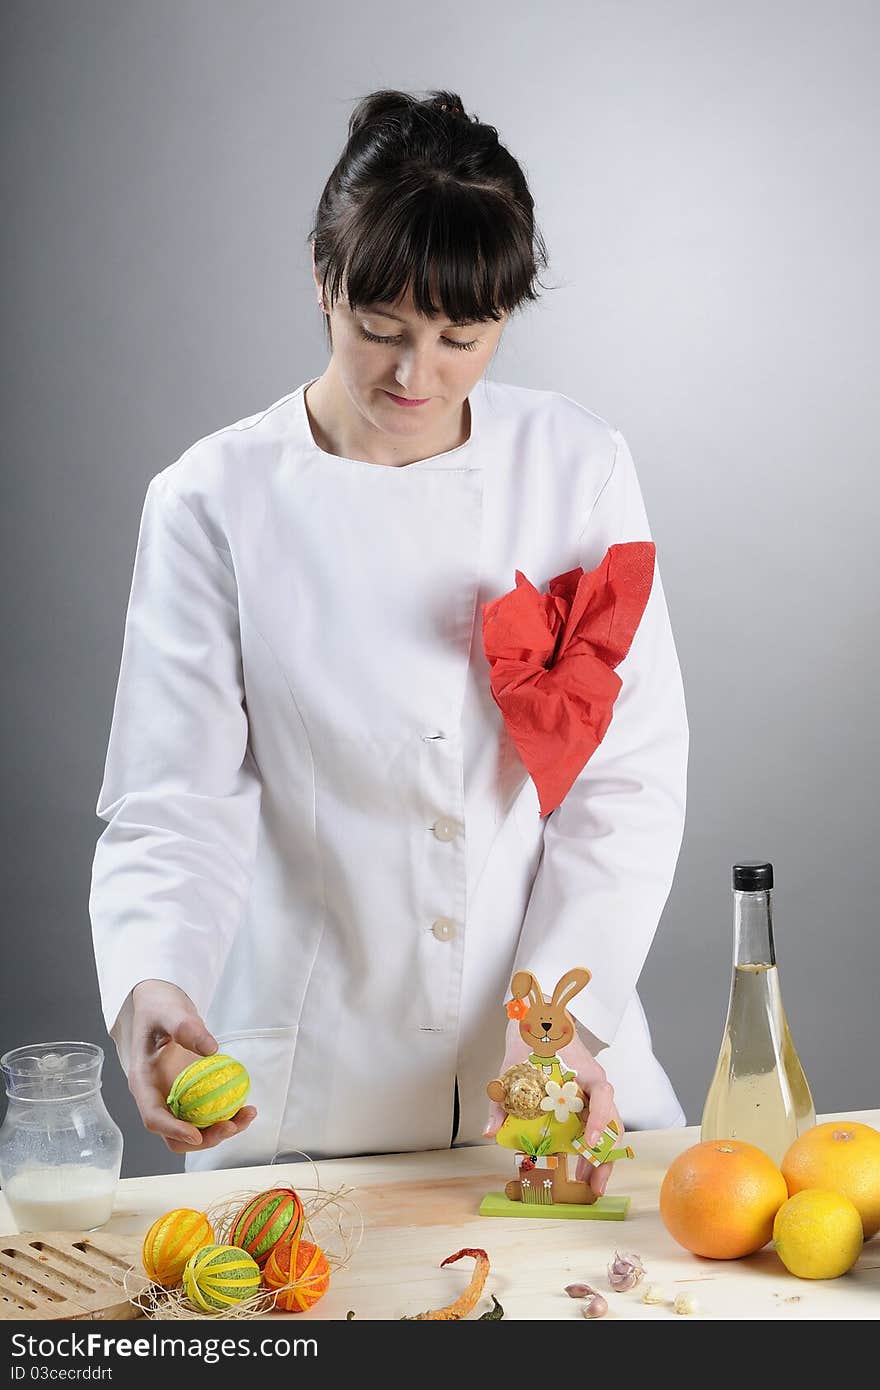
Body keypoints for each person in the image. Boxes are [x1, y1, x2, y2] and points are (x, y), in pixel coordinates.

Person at [89, 87, 689, 1194]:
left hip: (553, 1060)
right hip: (314, 1095)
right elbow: (175, 799)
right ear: (324, 282)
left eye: (463, 338)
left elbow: (627, 783)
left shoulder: (578, 467)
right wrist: (156, 983)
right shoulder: (212, 501)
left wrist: (560, 1023)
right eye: (381, 330)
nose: (417, 374)